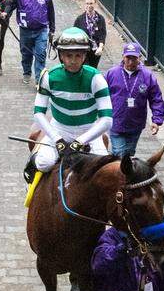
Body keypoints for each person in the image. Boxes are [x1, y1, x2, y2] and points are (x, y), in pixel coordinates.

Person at [24, 27, 113, 203]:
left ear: (84, 56)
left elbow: (106, 120)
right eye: (68, 56)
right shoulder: (49, 77)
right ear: (61, 56)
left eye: (78, 55)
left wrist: (81, 141)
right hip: (59, 129)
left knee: (105, 168)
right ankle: (32, 194)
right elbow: (38, 113)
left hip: (88, 132)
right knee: (43, 162)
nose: (73, 61)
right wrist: (56, 138)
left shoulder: (96, 78)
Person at [104, 43, 164, 157]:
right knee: (119, 154)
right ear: (123, 57)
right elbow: (102, 96)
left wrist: (157, 121)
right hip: (116, 122)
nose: (131, 62)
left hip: (135, 124)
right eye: (128, 58)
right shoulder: (112, 73)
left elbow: (156, 98)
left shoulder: (147, 76)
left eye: (134, 58)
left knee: (129, 153)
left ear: (139, 58)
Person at [12, 0, 56, 85]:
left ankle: (39, 79)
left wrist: (52, 29)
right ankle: (27, 72)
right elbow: (10, 5)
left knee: (41, 53)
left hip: (41, 30)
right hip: (25, 30)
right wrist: (4, 13)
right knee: (26, 53)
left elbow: (51, 13)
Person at [73, 0, 107, 69]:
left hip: (95, 49)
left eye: (91, 3)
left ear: (95, 4)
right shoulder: (80, 19)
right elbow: (74, 34)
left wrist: (101, 47)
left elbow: (103, 35)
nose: (89, 5)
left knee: (93, 69)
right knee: (85, 68)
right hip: (84, 49)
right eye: (87, 3)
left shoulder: (100, 19)